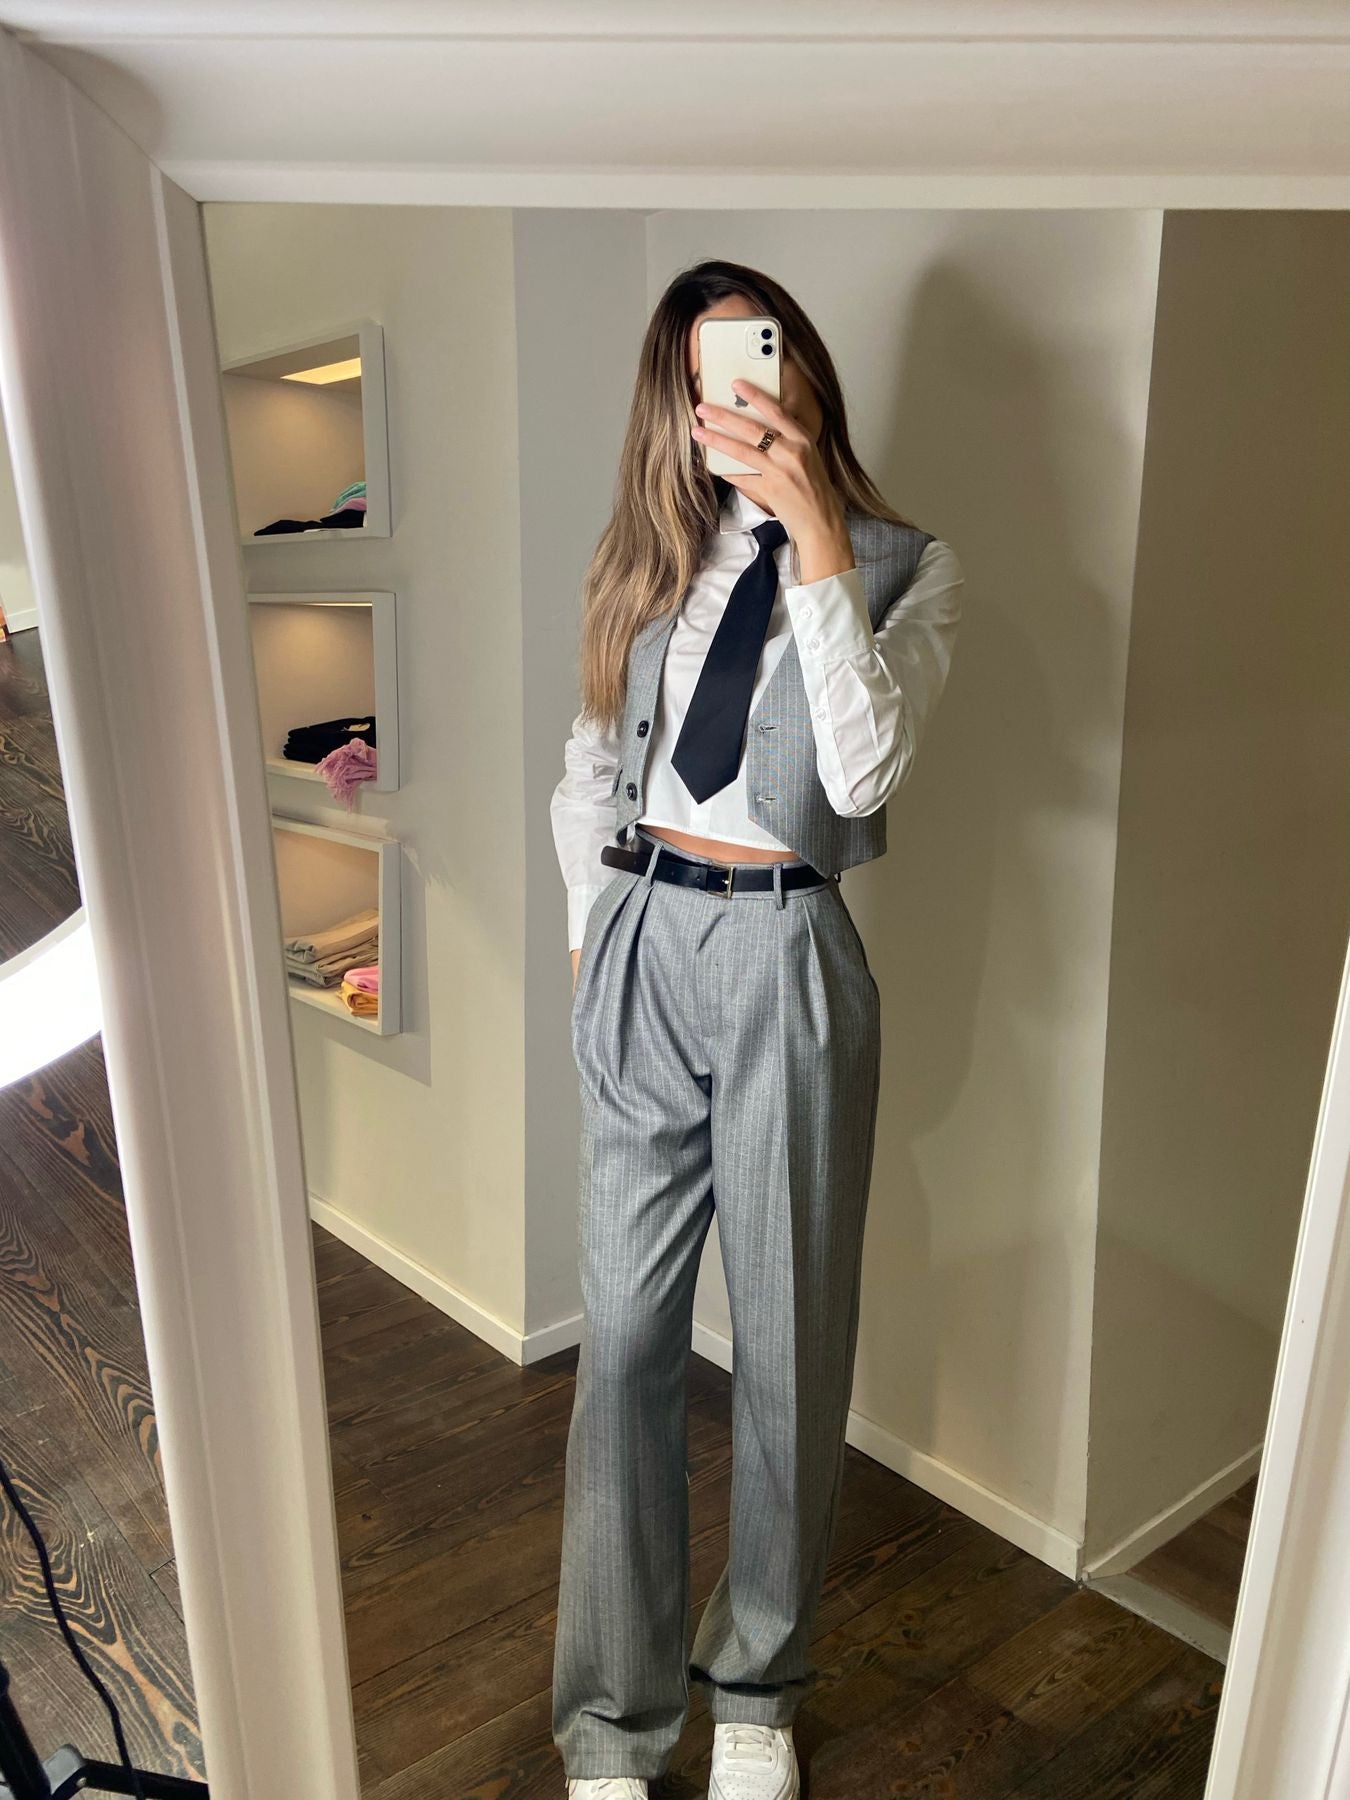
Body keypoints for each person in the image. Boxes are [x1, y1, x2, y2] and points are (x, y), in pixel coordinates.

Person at [548, 259, 964, 1800]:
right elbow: (590, 763)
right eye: (699, 374)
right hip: (642, 936)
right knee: (625, 1346)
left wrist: (817, 548)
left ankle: (755, 1698)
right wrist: (590, 944)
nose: (727, 397)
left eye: (754, 361)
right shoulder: (644, 559)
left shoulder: (908, 567)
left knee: (786, 1352)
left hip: (790, 944)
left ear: (801, 375)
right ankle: (612, 1722)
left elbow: (861, 780)